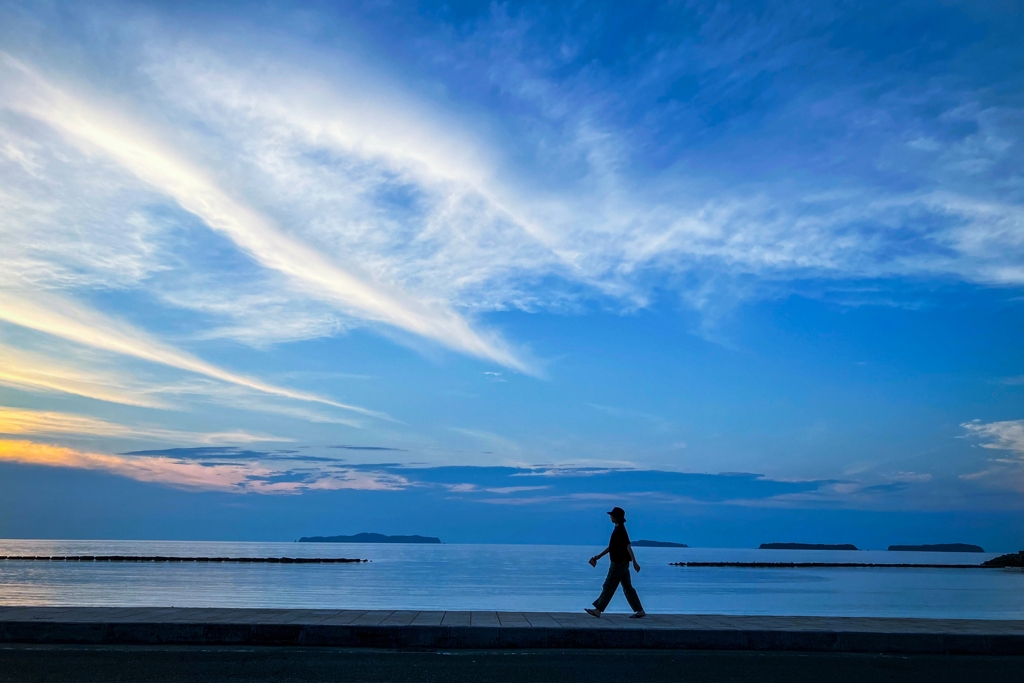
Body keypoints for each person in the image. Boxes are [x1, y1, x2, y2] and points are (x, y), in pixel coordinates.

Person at [585, 506, 645, 618]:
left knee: (608, 586)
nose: (610, 517)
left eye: (612, 515)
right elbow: (611, 547)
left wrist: (635, 562)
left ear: (616, 517)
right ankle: (640, 611)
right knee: (627, 588)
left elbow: (628, 546)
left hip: (618, 564)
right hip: (622, 563)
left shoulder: (621, 530)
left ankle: (598, 610)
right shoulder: (618, 529)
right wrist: (597, 557)